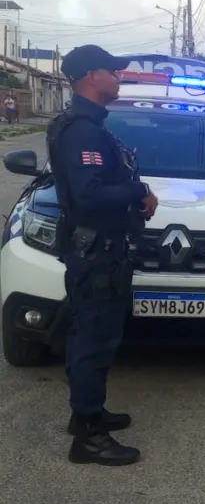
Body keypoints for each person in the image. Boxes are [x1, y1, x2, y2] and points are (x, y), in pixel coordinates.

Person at [48, 44, 159, 466]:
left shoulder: (90, 126)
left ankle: (88, 416)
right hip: (97, 254)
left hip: (98, 252)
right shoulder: (83, 130)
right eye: (113, 70)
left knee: (90, 336)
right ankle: (88, 437)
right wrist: (138, 191)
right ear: (92, 76)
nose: (120, 75)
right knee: (94, 341)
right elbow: (90, 196)